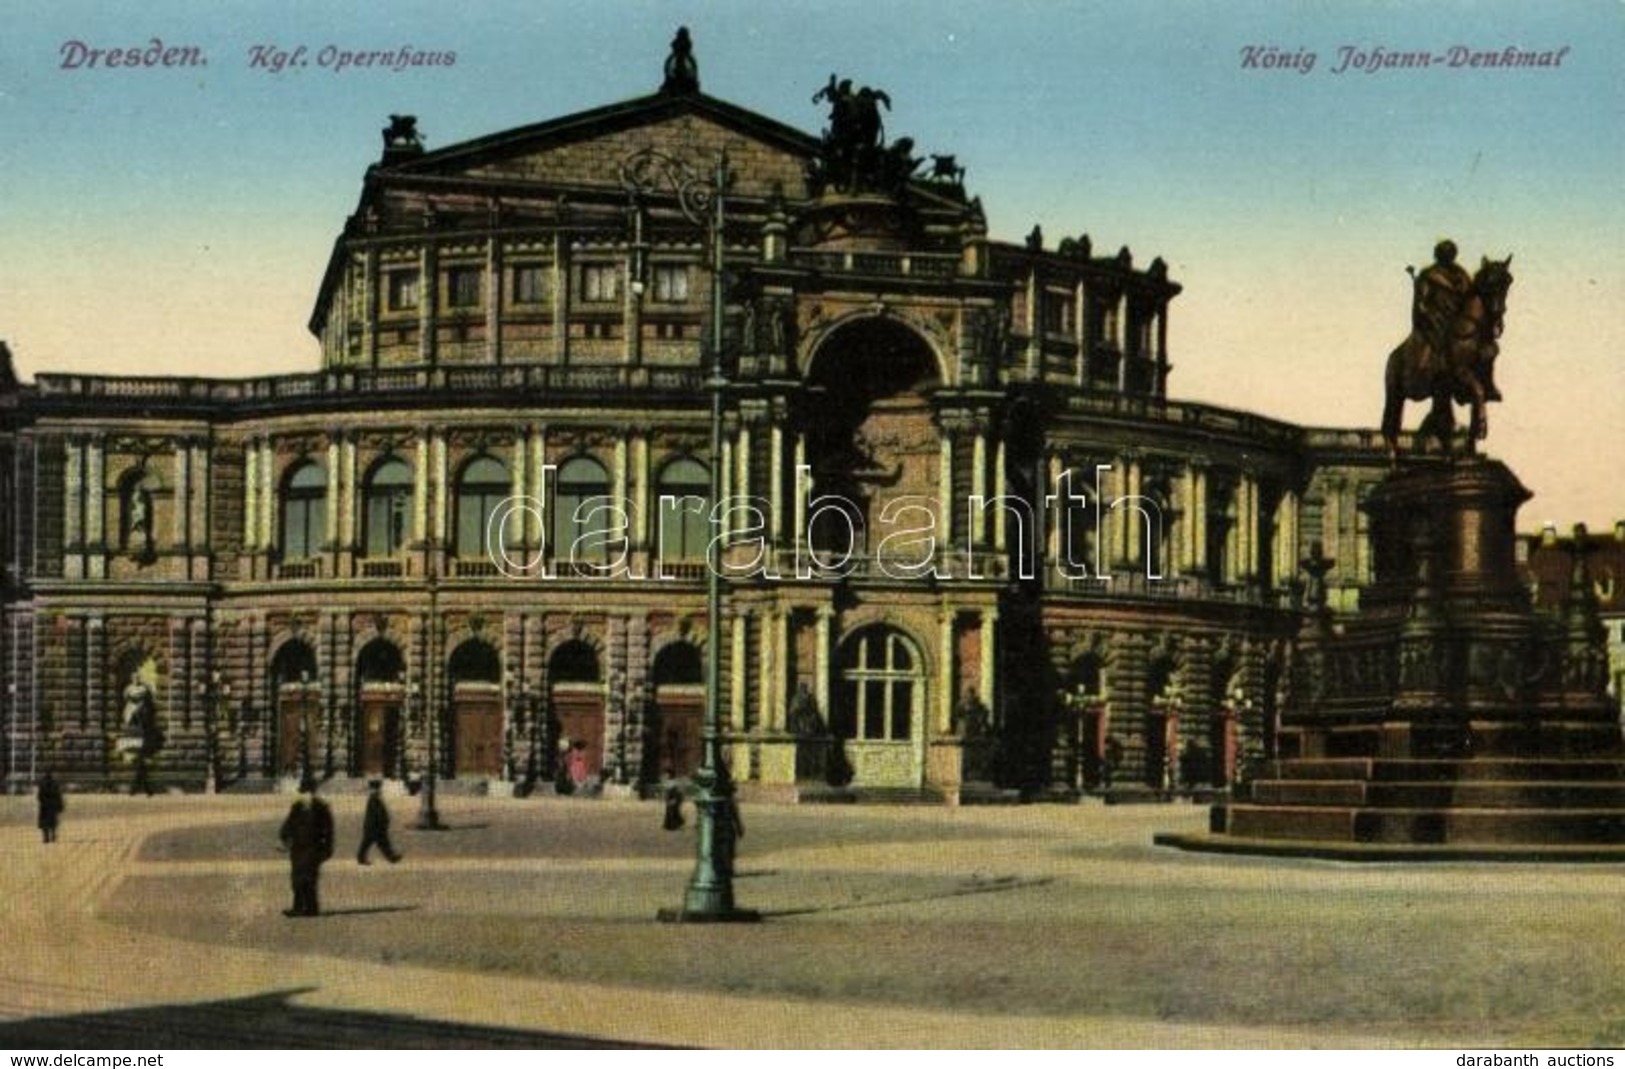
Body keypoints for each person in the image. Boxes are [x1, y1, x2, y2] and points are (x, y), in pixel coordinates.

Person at [278, 784, 335, 917]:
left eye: (308, 792)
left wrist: (327, 849)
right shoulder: (297, 807)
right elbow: (288, 824)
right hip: (297, 848)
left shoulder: (321, 808)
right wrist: (283, 838)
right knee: (296, 879)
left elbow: (329, 830)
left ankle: (310, 908)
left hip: (313, 848)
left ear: (313, 793)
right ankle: (299, 907)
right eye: (303, 793)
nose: (305, 796)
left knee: (309, 879)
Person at [356, 780, 402, 865]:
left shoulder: (374, 798)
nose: (380, 790)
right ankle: (391, 857)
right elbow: (377, 814)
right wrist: (382, 822)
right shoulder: (374, 799)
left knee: (369, 843)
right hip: (375, 826)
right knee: (380, 843)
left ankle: (361, 857)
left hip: (372, 826)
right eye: (378, 788)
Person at [36, 772, 64, 844]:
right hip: (52, 806)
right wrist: (60, 806)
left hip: (44, 806)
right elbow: (58, 796)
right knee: (53, 822)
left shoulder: (42, 784)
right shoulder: (55, 784)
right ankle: (53, 836)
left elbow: (39, 796)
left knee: (44, 823)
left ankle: (46, 838)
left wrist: (42, 802)